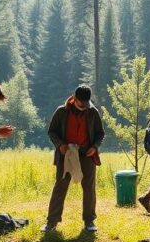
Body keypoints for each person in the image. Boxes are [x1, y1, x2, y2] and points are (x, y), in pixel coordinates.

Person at [43, 85, 106, 232]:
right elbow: (52, 131)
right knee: (60, 186)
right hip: (67, 154)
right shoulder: (61, 111)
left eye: (86, 102)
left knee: (89, 187)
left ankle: (89, 221)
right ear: (74, 98)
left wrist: (95, 147)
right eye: (81, 102)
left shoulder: (93, 112)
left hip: (87, 154)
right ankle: (52, 222)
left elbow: (100, 133)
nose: (84, 105)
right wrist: (60, 145)